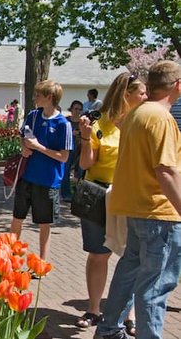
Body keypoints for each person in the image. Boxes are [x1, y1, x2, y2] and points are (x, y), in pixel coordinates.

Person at [94, 61, 181, 339]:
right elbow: (165, 171)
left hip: (136, 210)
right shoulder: (161, 117)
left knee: (129, 273)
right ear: (177, 85)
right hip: (159, 212)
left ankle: (108, 330)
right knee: (154, 286)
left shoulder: (136, 114)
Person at [74, 71, 146, 334]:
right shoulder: (99, 124)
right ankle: (94, 308)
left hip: (131, 195)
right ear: (126, 95)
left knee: (131, 256)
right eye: (141, 93)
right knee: (99, 254)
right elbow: (85, 164)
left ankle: (130, 314)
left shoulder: (142, 122)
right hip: (99, 193)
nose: (146, 97)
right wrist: (84, 136)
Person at [10, 80, 72, 262]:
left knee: (44, 223)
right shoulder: (33, 115)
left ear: (49, 97)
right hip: (27, 176)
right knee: (17, 218)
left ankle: (42, 262)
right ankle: (11, 257)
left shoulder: (63, 124)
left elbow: (64, 156)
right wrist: (24, 147)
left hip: (48, 180)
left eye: (38, 95)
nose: (35, 97)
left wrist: (39, 147)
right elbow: (23, 136)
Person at [60, 100, 84, 202]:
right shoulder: (66, 121)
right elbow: (60, 134)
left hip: (80, 150)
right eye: (75, 109)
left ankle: (79, 195)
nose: (77, 111)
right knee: (65, 173)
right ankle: (66, 194)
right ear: (71, 109)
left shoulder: (82, 122)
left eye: (79, 109)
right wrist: (71, 133)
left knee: (80, 174)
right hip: (68, 149)